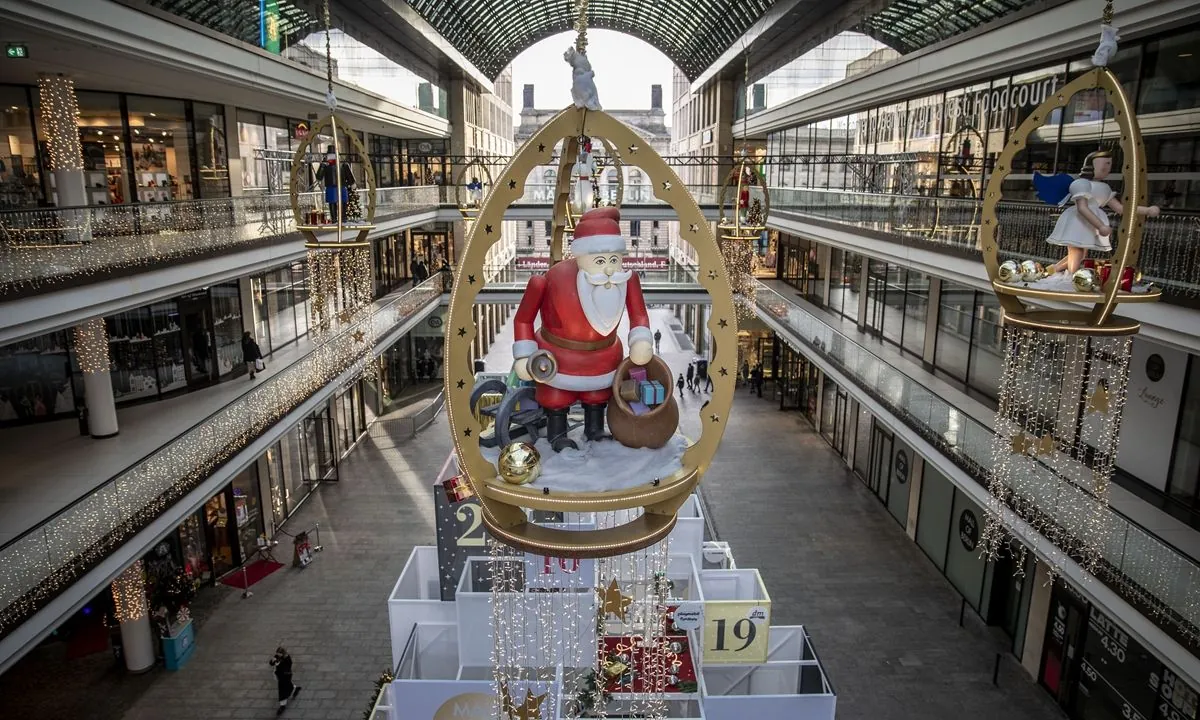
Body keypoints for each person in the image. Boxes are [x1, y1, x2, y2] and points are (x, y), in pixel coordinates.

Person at [512, 207, 652, 451]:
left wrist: (640, 339)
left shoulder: (626, 280)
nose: (609, 270)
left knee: (597, 398)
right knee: (557, 400)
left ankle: (595, 429)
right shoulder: (551, 279)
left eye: (614, 260)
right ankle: (557, 435)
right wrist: (524, 355)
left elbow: (638, 314)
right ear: (581, 256)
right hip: (558, 360)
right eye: (599, 261)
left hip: (604, 359)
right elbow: (523, 318)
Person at [317, 145, 355, 223]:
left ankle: (342, 218)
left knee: (342, 202)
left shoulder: (343, 165)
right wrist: (322, 166)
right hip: (332, 186)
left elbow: (349, 175)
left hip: (340, 186)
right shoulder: (326, 166)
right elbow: (319, 177)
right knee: (333, 202)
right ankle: (336, 219)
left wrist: (352, 182)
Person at [269, 646, 301, 715]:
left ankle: (282, 705)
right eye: (277, 654)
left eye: (279, 654)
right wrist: (272, 661)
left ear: (282, 653)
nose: (277, 655)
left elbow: (287, 668)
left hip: (285, 676)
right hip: (280, 676)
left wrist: (279, 665)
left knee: (282, 690)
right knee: (287, 686)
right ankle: (295, 689)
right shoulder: (277, 656)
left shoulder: (287, 659)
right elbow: (271, 663)